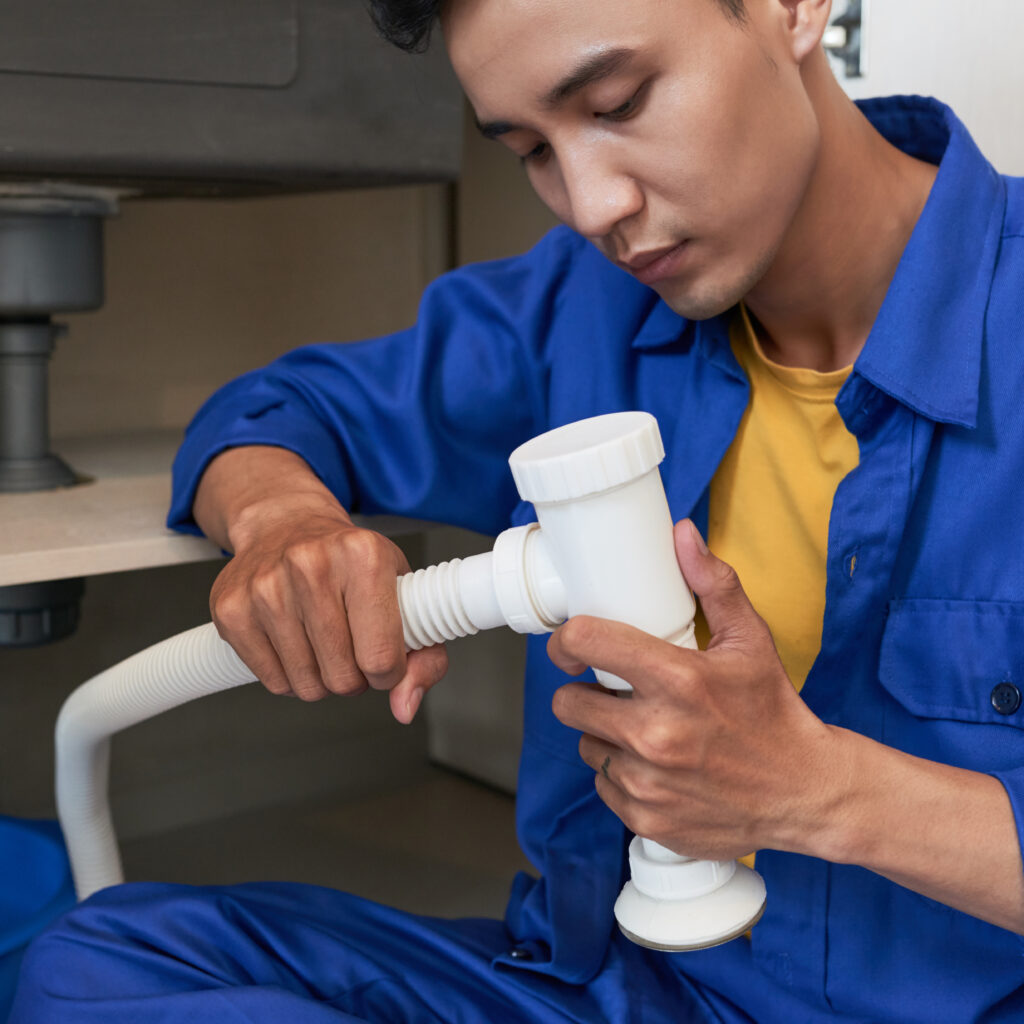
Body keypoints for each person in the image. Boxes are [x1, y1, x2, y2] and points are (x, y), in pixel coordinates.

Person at [11, 0, 1024, 1020]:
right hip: (611, 988)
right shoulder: (578, 309)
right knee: (94, 961)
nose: (589, 205)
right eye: (533, 149)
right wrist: (284, 523)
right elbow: (281, 411)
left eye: (618, 102)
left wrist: (819, 791)